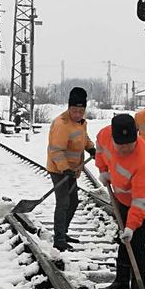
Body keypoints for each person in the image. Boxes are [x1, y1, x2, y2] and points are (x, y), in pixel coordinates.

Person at [95, 114, 145, 289]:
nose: (125, 149)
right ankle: (121, 282)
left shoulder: (143, 159)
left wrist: (131, 227)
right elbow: (100, 150)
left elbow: (141, 200)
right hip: (122, 196)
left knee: (135, 242)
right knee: (122, 241)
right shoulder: (105, 135)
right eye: (121, 145)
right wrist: (103, 170)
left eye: (130, 144)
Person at [46, 87, 96, 251]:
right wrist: (64, 168)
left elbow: (82, 137)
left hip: (72, 170)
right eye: (74, 110)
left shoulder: (80, 122)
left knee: (73, 202)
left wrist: (91, 148)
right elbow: (56, 150)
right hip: (59, 169)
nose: (78, 114)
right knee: (63, 202)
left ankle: (63, 232)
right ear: (69, 108)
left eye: (81, 111)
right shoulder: (62, 124)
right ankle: (58, 238)